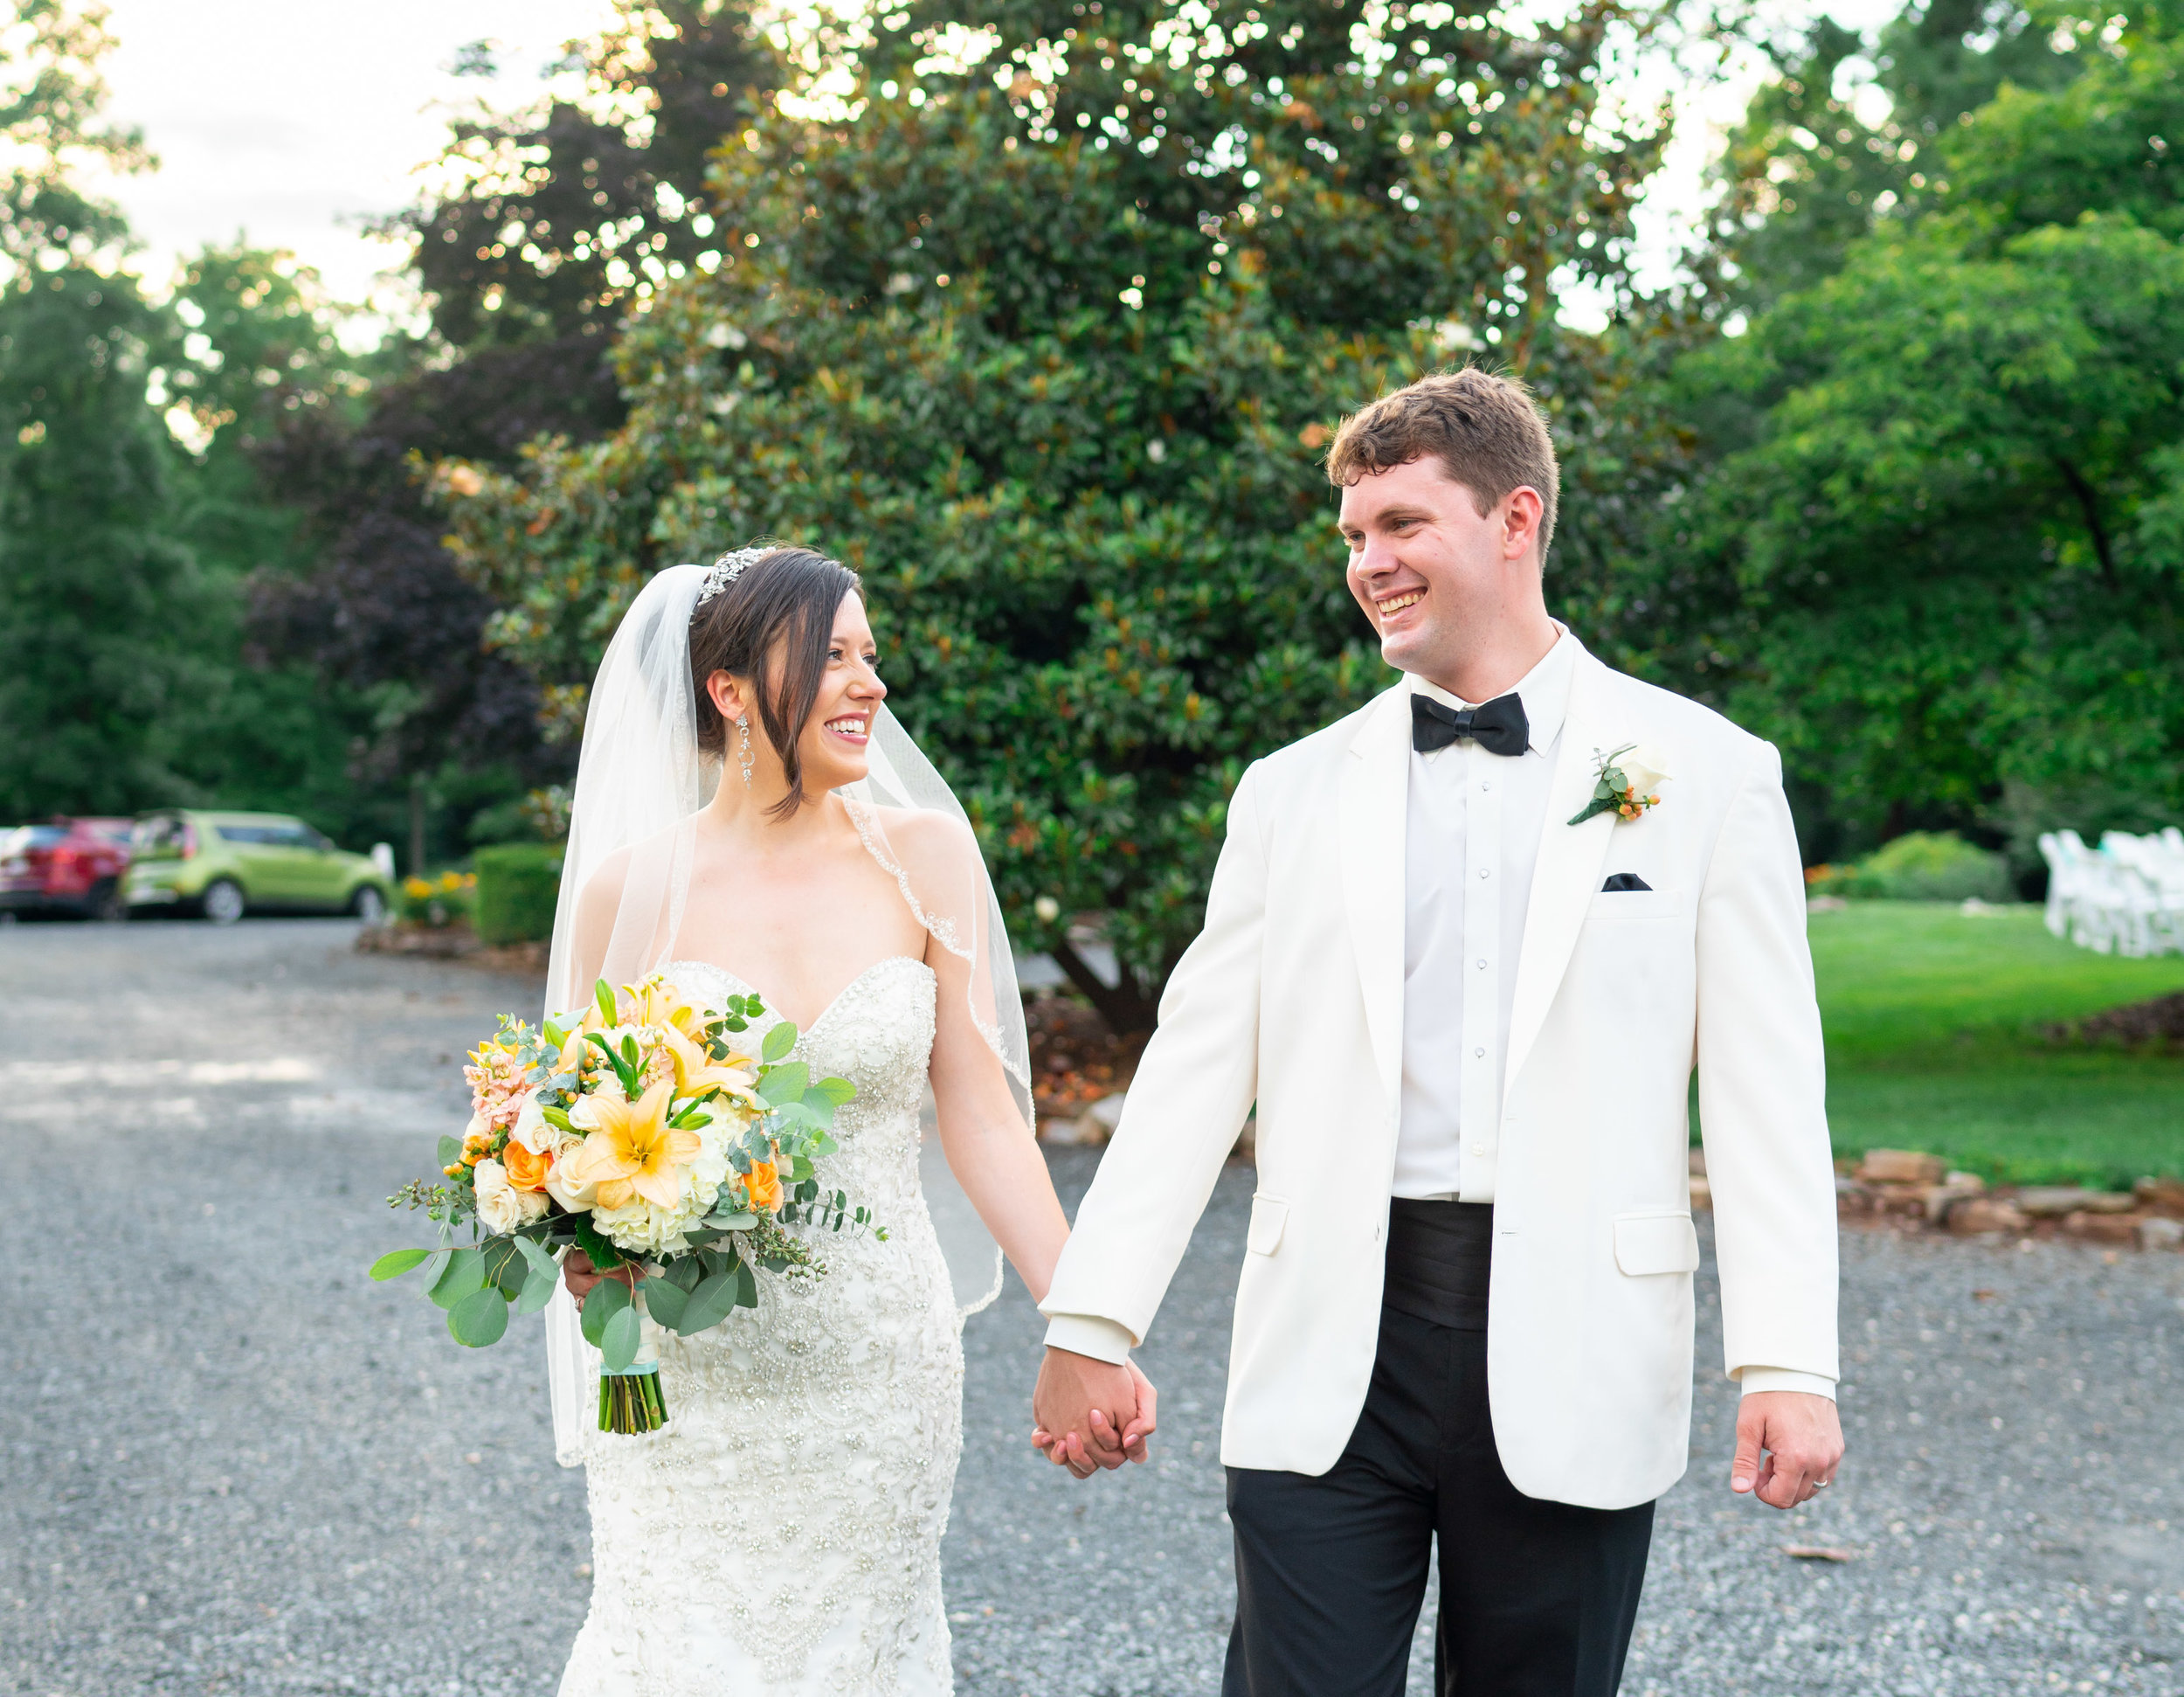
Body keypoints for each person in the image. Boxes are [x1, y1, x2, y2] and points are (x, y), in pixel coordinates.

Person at [1032, 369, 1844, 1695]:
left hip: (1580, 1335)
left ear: (1515, 519)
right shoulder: (1289, 794)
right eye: (1354, 535)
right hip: (1329, 1336)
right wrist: (1093, 1321)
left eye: (1401, 523)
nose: (1370, 562)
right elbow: (1190, 1071)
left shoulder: (1709, 773)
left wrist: (1788, 1360)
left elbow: (1766, 1091)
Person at [542, 547, 1155, 1695]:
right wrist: (587, 1239)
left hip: (877, 1367)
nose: (870, 683)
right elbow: (583, 1129)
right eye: (831, 655)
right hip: (688, 1376)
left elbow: (984, 1120)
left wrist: (1087, 1322)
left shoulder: (925, 858)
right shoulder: (626, 889)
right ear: (729, 691)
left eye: (871, 656)